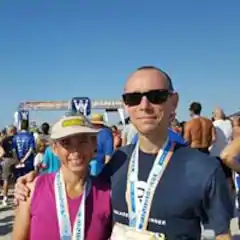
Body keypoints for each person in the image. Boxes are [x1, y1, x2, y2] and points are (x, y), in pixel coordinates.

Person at [14, 66, 233, 239]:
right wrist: (29, 183)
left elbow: (222, 234)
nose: (144, 105)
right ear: (126, 106)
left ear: (173, 101)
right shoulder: (118, 162)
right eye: (134, 98)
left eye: (156, 96)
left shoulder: (204, 169)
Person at [12, 115, 112, 240]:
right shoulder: (31, 190)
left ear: (94, 145)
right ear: (54, 149)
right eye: (66, 143)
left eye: (83, 141)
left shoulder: (107, 194)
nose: (75, 151)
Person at [0, 125, 17, 206]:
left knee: (6, 179)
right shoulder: (16, 139)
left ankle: (5, 198)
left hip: (6, 160)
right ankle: (16, 197)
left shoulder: (4, 140)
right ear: (13, 131)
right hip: (16, 159)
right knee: (16, 179)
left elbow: (1, 151)